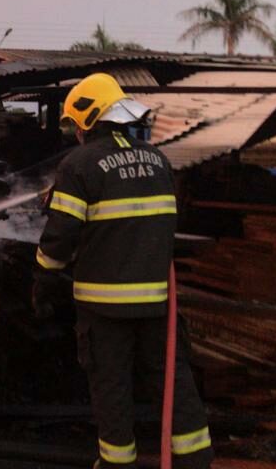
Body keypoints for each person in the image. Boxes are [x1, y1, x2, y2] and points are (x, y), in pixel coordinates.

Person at [34, 73, 213, 469]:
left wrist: (44, 281)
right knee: (173, 386)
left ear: (86, 120)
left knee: (112, 391)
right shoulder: (158, 159)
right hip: (157, 305)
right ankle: (195, 461)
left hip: (104, 309)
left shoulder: (79, 165)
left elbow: (60, 239)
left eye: (74, 126)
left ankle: (117, 464)